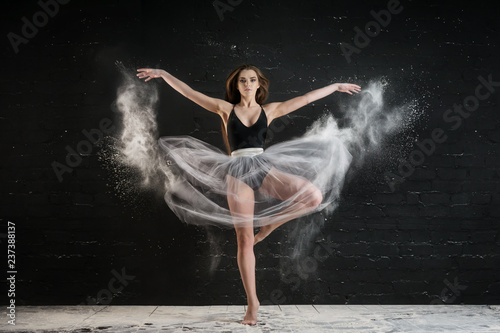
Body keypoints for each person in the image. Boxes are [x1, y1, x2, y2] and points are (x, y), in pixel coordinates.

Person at [136, 64, 360, 325]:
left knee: (312, 196)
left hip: (263, 167)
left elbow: (306, 98)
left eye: (252, 80)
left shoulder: (269, 110)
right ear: (237, 85)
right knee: (244, 239)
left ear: (258, 84)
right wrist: (164, 74)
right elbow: (190, 93)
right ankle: (253, 303)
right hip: (238, 172)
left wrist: (335, 87)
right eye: (242, 80)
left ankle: (269, 226)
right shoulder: (225, 109)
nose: (247, 84)